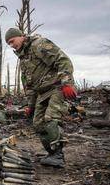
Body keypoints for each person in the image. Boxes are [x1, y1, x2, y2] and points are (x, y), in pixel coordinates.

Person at [5, 27, 77, 167]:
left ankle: (58, 156)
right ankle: (51, 153)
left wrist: (67, 83)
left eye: (12, 41)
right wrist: (29, 107)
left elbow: (63, 60)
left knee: (51, 119)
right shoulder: (24, 59)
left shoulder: (39, 44)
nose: (12, 45)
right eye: (9, 44)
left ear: (21, 36)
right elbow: (30, 87)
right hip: (42, 93)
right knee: (38, 123)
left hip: (57, 87)